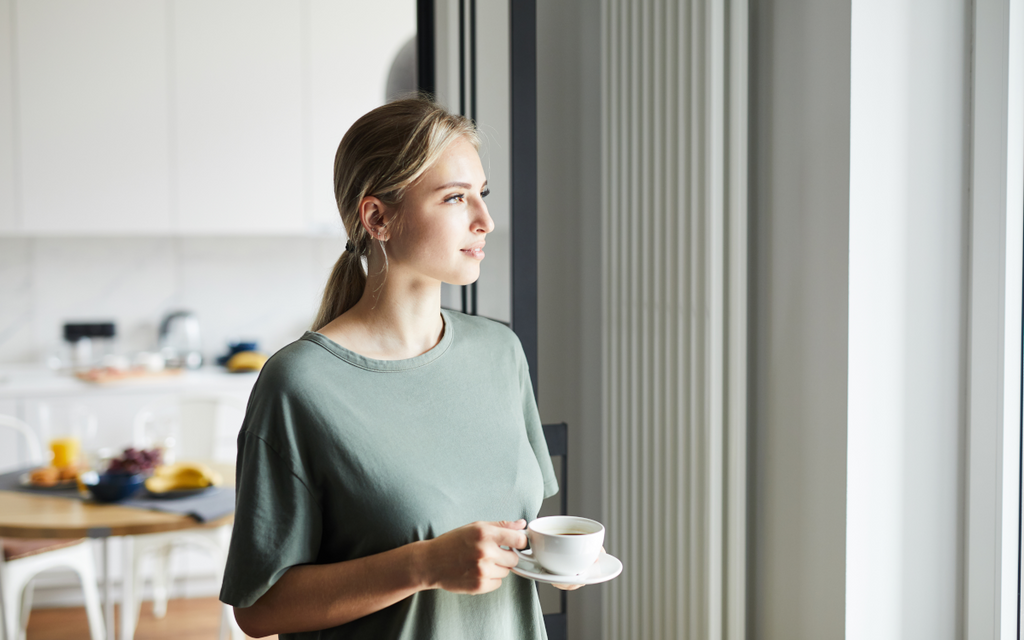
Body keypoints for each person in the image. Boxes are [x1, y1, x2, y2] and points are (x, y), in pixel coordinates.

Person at [219, 98, 560, 639]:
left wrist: (552, 558)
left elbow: (510, 525)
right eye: (455, 198)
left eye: (482, 195)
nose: (485, 220)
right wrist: (424, 564)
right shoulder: (300, 385)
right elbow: (259, 610)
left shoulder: (501, 352)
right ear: (378, 217)